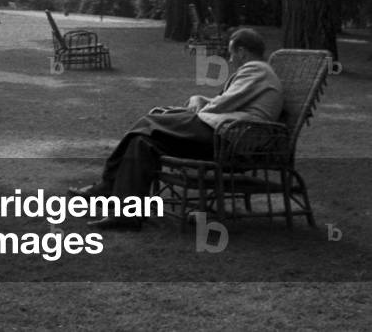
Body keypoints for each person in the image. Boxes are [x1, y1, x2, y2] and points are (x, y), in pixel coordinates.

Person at [68, 28, 283, 230]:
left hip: (228, 137)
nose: (230, 59)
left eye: (231, 53)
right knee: (142, 142)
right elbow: (227, 101)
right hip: (222, 133)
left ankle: (107, 186)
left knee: (149, 122)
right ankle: (126, 216)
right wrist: (200, 100)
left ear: (242, 52)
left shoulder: (256, 70)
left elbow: (224, 103)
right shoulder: (258, 73)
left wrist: (195, 110)